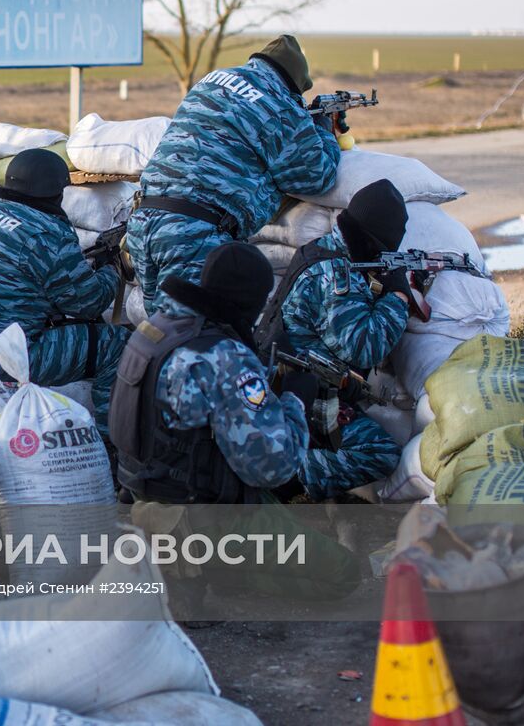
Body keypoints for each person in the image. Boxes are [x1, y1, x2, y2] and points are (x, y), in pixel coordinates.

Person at [126, 34, 341, 316]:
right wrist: (323, 131)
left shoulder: (213, 79)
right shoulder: (281, 105)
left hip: (145, 221)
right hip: (192, 234)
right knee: (192, 340)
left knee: (161, 331)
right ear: (294, 84)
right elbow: (317, 176)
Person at [0, 147, 131, 426]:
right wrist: (112, 271)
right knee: (117, 344)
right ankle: (111, 441)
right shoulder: (46, 233)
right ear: (57, 192)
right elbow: (87, 303)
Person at [110, 242, 312, 503]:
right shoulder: (223, 355)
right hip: (193, 515)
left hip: (140, 491)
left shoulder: (156, 327)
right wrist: (296, 399)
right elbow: (273, 468)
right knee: (320, 546)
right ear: (250, 301)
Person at [256, 179, 411, 500]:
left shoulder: (329, 252)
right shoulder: (335, 275)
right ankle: (285, 477)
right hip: (303, 396)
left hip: (302, 385)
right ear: (375, 242)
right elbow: (365, 347)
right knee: (381, 453)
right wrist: (398, 296)